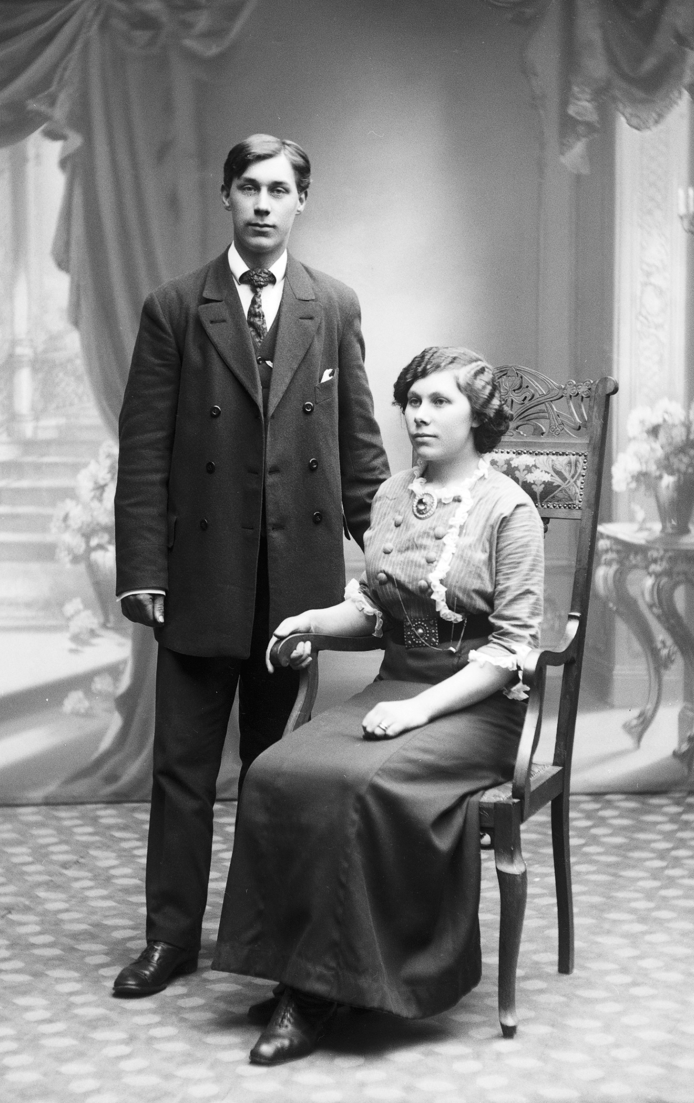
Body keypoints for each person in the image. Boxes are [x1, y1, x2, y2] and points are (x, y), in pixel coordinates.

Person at [212, 345, 545, 1065]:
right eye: (412, 401)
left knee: (360, 784)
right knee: (273, 771)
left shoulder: (509, 510)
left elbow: (513, 650)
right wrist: (308, 622)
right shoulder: (392, 496)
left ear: (478, 417)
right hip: (394, 684)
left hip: (477, 708)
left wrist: (421, 712)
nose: (419, 415)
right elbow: (371, 609)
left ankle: (324, 992)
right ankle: (304, 971)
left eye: (440, 401)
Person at [112, 135, 389, 998]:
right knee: (183, 771)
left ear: (302, 201)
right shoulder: (174, 307)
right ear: (226, 197)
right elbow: (144, 450)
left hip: (296, 583)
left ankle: (271, 942)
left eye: (279, 190)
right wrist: (144, 569)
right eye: (248, 188)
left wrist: (390, 558)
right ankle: (170, 939)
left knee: (281, 774)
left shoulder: (331, 305)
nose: (263, 204)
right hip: (201, 574)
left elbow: (358, 448)